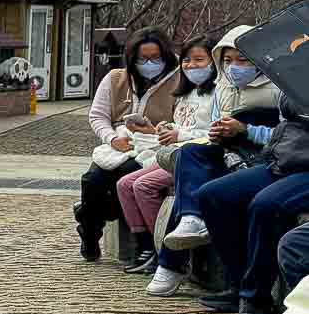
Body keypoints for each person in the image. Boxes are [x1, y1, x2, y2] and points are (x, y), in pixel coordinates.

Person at [160, 25, 280, 272]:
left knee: (206, 191)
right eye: (227, 60)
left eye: (243, 60)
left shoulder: (280, 87)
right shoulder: (222, 86)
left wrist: (245, 129)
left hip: (264, 157)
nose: (234, 66)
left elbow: (288, 136)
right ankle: (189, 221)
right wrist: (217, 133)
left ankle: (170, 265)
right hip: (229, 152)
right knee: (189, 154)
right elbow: (214, 125)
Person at [194, 93, 309, 314]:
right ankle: (239, 285)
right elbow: (285, 122)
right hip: (285, 159)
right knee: (214, 195)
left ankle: (256, 300)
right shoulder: (296, 77)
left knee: (267, 205)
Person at [114, 36, 217, 279]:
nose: (192, 65)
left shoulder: (217, 93)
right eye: (187, 60)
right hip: (173, 153)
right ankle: (145, 245)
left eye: (199, 60)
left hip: (196, 157)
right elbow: (181, 125)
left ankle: (164, 248)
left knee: (144, 185)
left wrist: (180, 134)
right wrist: (162, 129)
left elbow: (213, 132)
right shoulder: (184, 93)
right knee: (125, 184)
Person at [76, 29, 178, 261]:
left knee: (125, 176)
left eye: (156, 58)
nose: (149, 64)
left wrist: (153, 131)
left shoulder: (178, 80)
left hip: (152, 146)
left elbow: (179, 123)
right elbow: (98, 116)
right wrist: (112, 138)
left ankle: (93, 213)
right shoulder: (115, 78)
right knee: (92, 181)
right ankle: (89, 232)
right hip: (118, 144)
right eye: (143, 58)